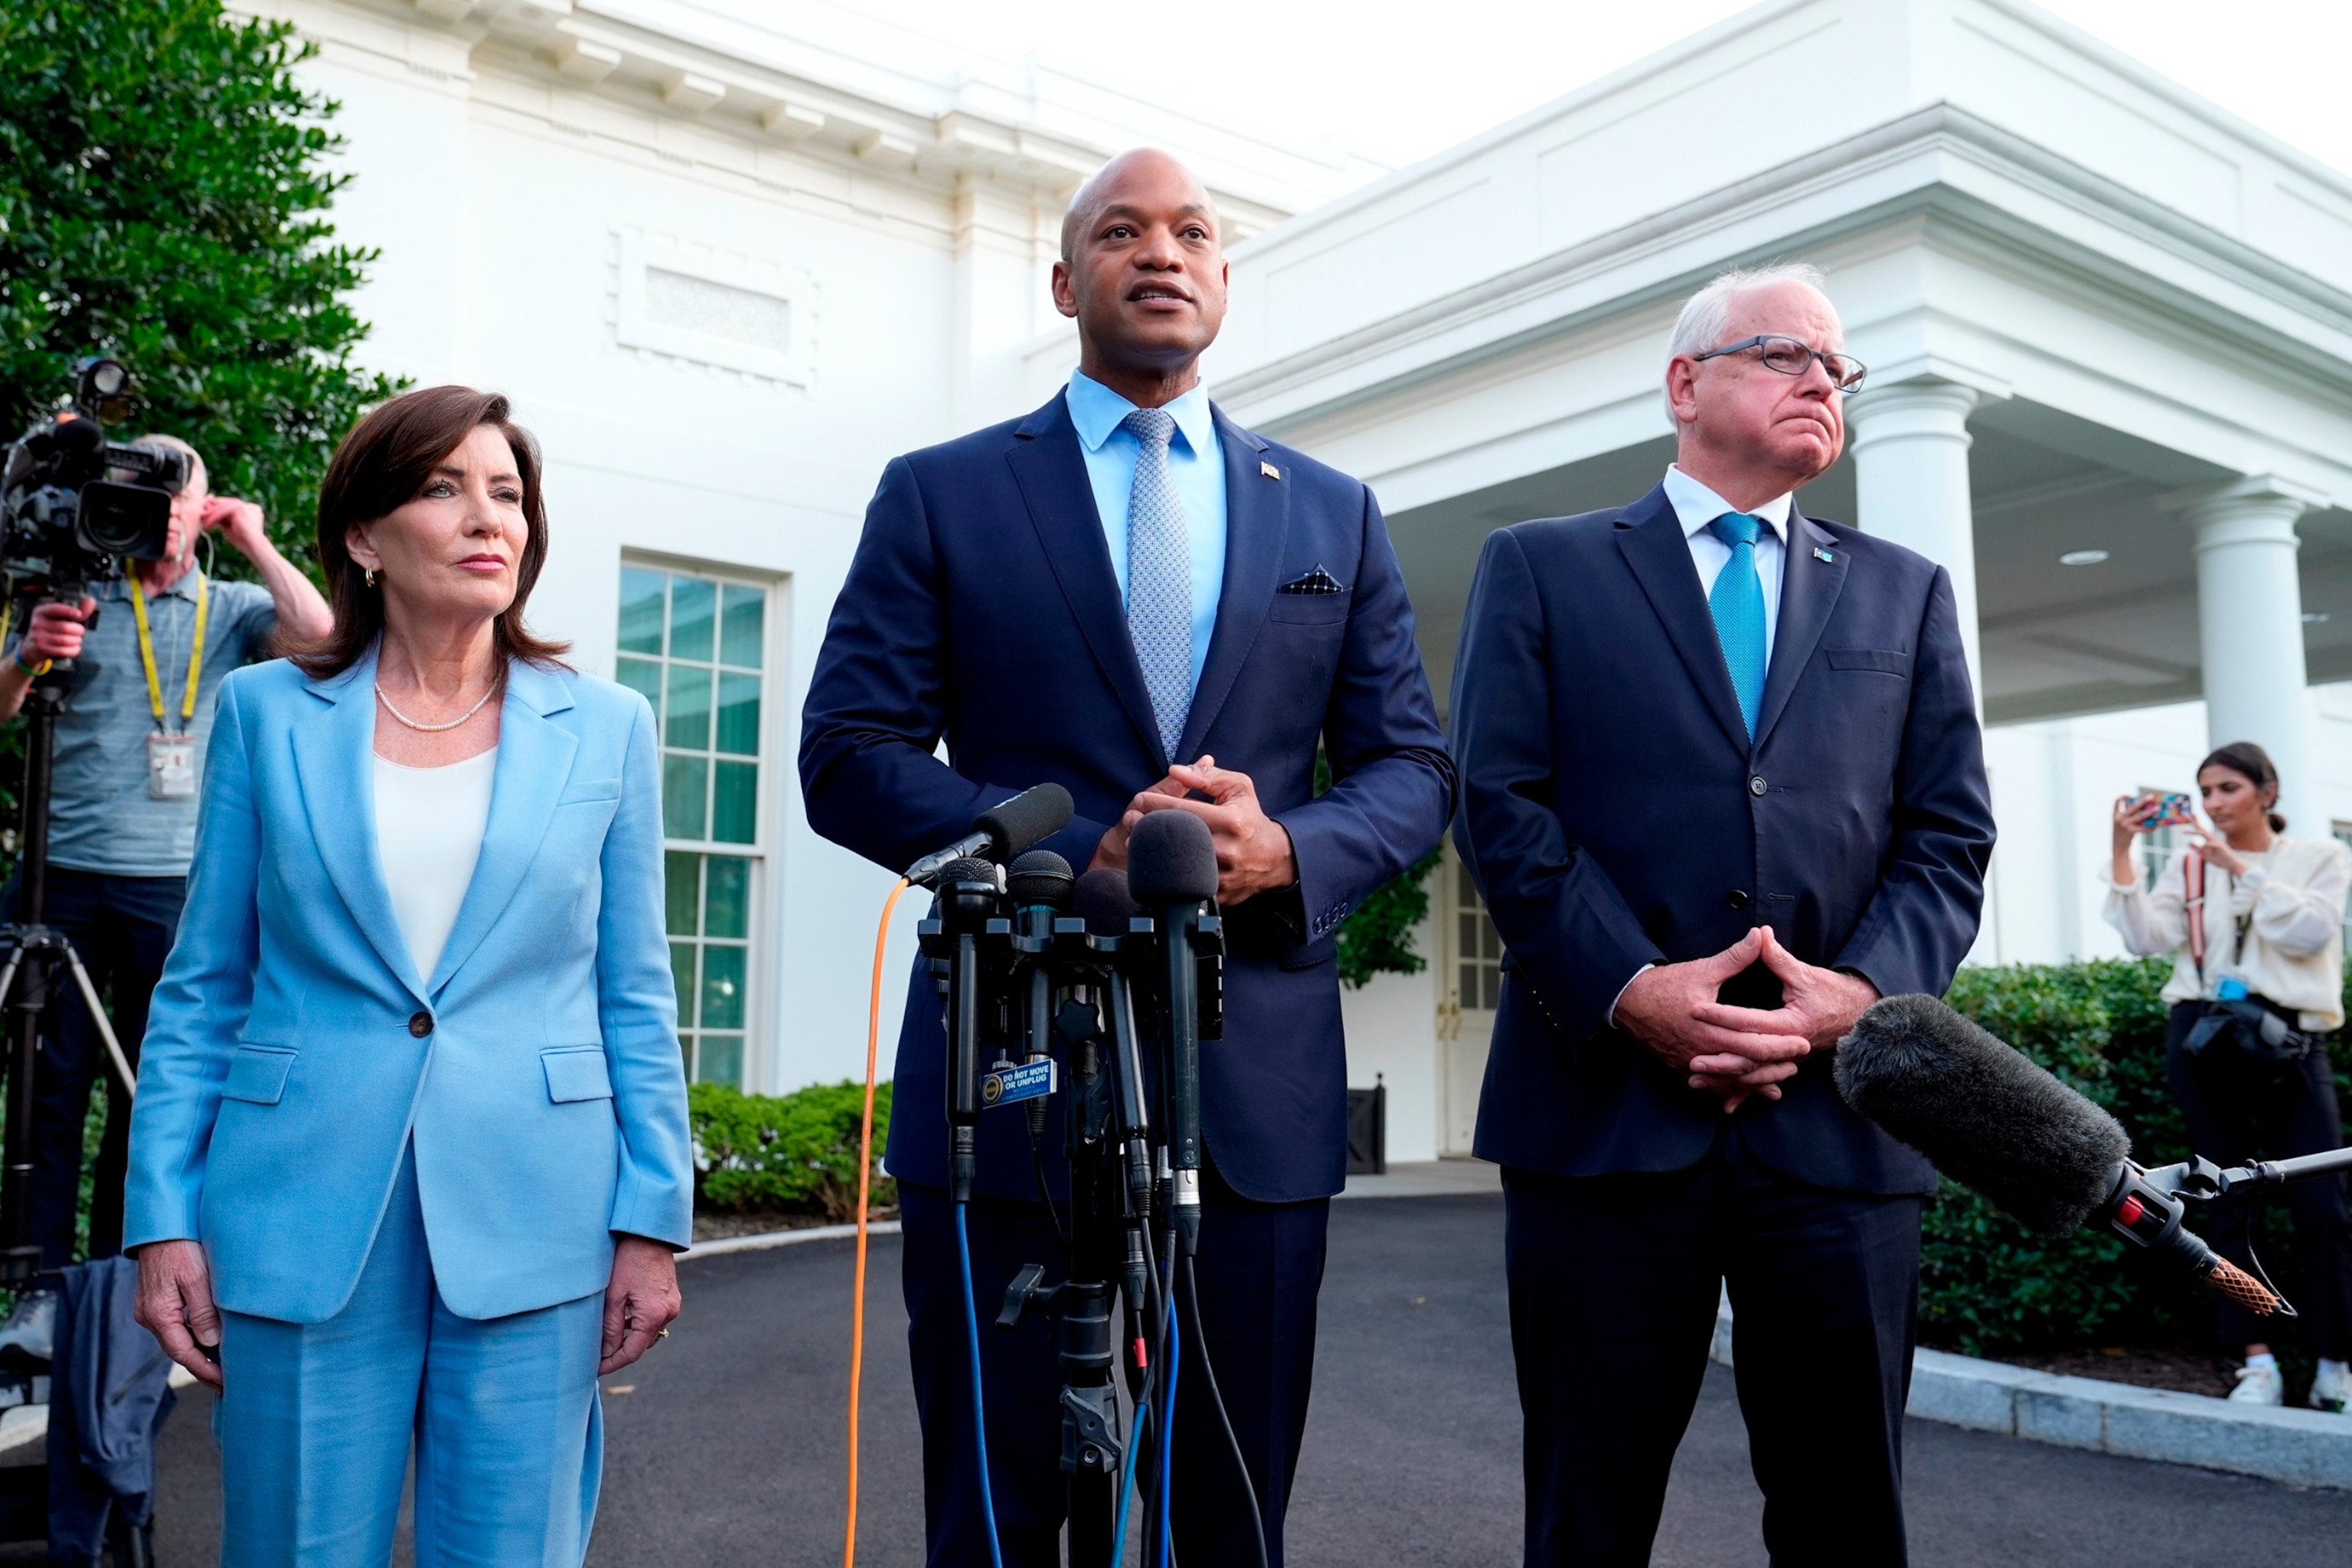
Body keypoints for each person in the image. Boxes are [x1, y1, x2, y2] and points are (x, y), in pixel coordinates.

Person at [800, 149, 1453, 1566]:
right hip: (1009, 1070)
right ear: (1064, 281)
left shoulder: (1329, 511)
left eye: (1194, 231)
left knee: (1227, 1513)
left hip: (1256, 1088)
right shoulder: (944, 493)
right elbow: (845, 751)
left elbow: (1414, 771)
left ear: (1223, 279)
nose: (1160, 251)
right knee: (997, 1512)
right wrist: (1043, 843)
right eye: (1120, 229)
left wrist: (1287, 846)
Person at [1449, 263, 1995, 1565]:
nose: (1822, 377)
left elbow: (1948, 836)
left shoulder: (1904, 589)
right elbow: (1500, 805)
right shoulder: (1541, 567)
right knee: (1585, 1514)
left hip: (1839, 1134)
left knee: (1847, 1515)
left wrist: (1852, 1000)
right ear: (1686, 384)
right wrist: (1632, 988)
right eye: (1783, 352)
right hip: (1604, 1121)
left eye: (1837, 366)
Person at [122, 387, 692, 1565]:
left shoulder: (610, 726)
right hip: (297, 1209)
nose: (491, 517)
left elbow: (635, 992)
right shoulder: (266, 713)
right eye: (444, 487)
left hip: (541, 1212)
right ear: (364, 538)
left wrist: (653, 1217)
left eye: (508, 493)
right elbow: (203, 987)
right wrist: (161, 1217)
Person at [0, 435, 331, 1269]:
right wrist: (25, 654)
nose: (165, 513)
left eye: (183, 496)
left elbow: (326, 639)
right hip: (61, 876)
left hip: (176, 888)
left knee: (154, 1094)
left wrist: (254, 537)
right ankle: (37, 1286)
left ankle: (118, 1287)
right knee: (48, 1094)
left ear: (203, 509)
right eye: (147, 494)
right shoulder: (69, 591)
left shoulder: (231, 606)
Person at [2105, 743, 2352, 1413]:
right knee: (2227, 1198)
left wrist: (2237, 865)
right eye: (2205, 790)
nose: (2213, 803)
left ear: (2266, 792)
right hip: (2203, 1036)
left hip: (2293, 1041)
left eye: (2228, 789)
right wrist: (2123, 850)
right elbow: (2147, 939)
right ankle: (2257, 1361)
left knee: (2322, 1206)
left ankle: (2336, 1363)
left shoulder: (2320, 857)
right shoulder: (2188, 865)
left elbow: (2308, 933)